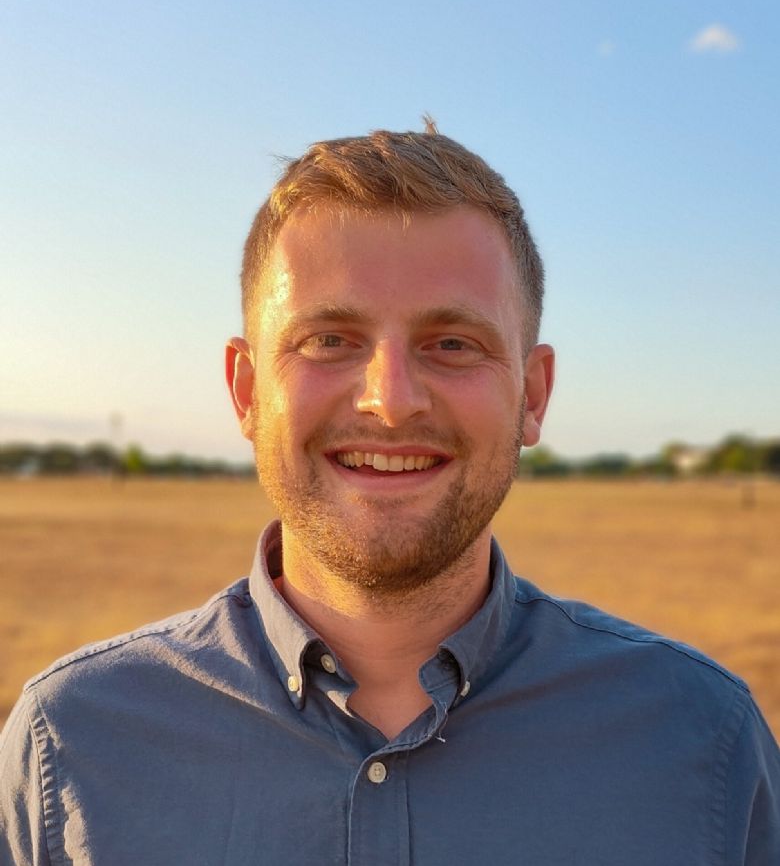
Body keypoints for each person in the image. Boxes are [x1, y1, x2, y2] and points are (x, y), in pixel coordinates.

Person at [1, 124, 778, 865]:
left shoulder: (703, 742)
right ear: (247, 391)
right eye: (328, 340)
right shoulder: (69, 745)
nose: (391, 400)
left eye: (453, 344)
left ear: (532, 394)